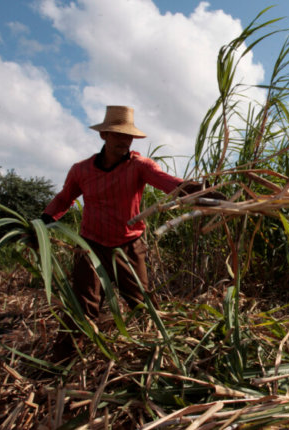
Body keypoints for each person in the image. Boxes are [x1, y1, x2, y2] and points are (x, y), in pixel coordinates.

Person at [41, 105, 223, 360]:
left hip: (129, 247)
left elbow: (166, 182)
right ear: (104, 135)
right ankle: (62, 362)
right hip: (91, 247)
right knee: (82, 307)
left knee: (143, 305)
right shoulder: (81, 170)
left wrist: (199, 192)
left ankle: (164, 356)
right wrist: (42, 224)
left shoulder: (139, 165)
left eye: (128, 136)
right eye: (118, 135)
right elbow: (63, 199)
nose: (124, 141)